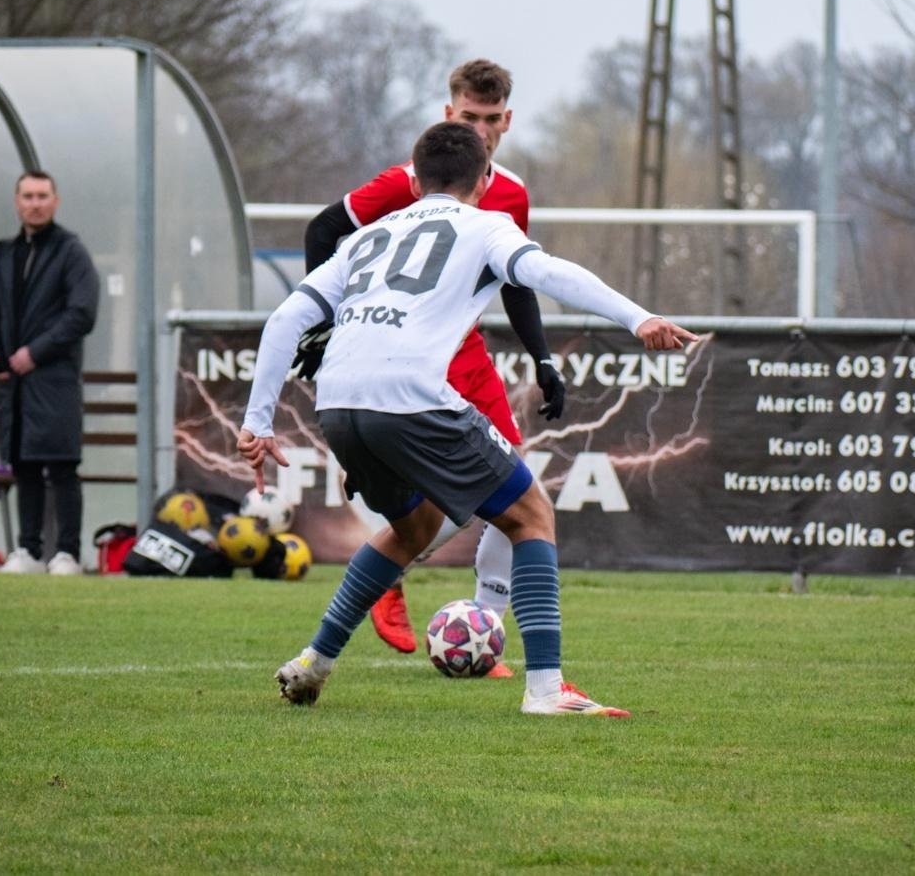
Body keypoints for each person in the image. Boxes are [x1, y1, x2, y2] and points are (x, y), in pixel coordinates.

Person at [239, 122, 697, 716]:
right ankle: (546, 690)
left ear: (413, 173)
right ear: (485, 180)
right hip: (411, 393)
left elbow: (282, 323)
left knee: (412, 530)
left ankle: (314, 663)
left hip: (338, 402)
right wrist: (638, 319)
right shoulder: (486, 225)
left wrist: (259, 422)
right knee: (530, 514)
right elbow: (548, 273)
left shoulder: (366, 237)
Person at [297, 59, 565, 670]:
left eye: (491, 119)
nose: (481, 129)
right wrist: (325, 324)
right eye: (469, 117)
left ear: (508, 120)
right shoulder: (411, 182)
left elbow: (517, 280)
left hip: (465, 351)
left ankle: (483, 631)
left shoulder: (513, 193)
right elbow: (323, 229)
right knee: (456, 508)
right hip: (404, 353)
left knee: (515, 487)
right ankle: (391, 567)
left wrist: (542, 358)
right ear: (449, 114)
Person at [0, 171, 100, 576]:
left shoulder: (71, 252)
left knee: (62, 465)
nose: (35, 203)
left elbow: (82, 313)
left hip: (55, 379)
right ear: (16, 202)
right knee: (23, 465)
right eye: (27, 196)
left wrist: (36, 352)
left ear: (56, 201)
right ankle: (27, 551)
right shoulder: (4, 254)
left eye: (43, 195)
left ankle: (66, 552)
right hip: (13, 383)